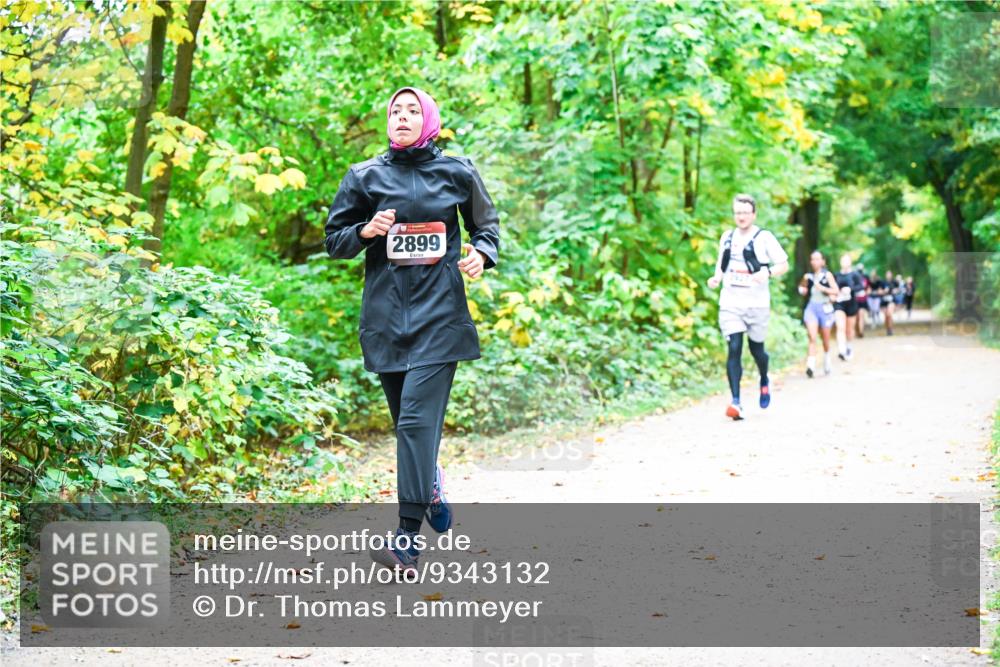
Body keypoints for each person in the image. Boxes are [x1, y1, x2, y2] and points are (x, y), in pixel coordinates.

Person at [324, 86, 500, 573]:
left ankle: (406, 537)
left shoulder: (457, 171)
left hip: (441, 318)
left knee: (415, 425)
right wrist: (365, 232)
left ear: (429, 121)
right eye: (395, 111)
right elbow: (334, 242)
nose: (402, 117)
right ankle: (432, 484)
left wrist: (481, 254)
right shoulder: (364, 176)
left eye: (412, 111)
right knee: (410, 427)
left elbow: (486, 226)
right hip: (385, 321)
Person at [707, 193, 789, 421]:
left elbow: (783, 263)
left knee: (757, 351)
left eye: (745, 212)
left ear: (753, 214)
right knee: (734, 347)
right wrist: (715, 278)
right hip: (731, 302)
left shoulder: (764, 238)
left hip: (757, 303)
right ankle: (736, 402)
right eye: (737, 212)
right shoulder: (727, 237)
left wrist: (768, 273)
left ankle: (764, 377)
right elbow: (721, 265)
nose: (741, 216)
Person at [797, 250, 839, 377]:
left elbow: (836, 290)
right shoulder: (808, 276)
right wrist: (802, 290)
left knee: (825, 339)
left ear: (823, 261)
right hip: (811, 308)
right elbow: (802, 288)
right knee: (812, 336)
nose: (814, 261)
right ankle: (811, 365)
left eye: (817, 259)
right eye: (812, 259)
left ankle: (826, 359)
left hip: (825, 308)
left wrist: (823, 288)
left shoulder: (827, 275)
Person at [833, 253, 862, 361]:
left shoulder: (855, 275)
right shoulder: (836, 275)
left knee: (849, 329)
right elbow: (832, 286)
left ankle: (849, 347)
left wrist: (851, 289)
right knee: (840, 327)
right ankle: (841, 350)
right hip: (839, 303)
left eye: (846, 260)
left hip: (851, 303)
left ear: (850, 262)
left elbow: (861, 286)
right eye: (843, 260)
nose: (844, 262)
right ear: (840, 262)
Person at [854, 262, 869, 338]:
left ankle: (861, 331)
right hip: (855, 299)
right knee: (857, 317)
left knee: (861, 315)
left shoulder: (866, 277)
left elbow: (868, 287)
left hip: (862, 299)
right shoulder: (854, 276)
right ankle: (858, 331)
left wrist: (867, 292)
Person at [883, 269, 897, 335]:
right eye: (887, 274)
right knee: (886, 317)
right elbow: (879, 291)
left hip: (892, 300)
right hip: (884, 301)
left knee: (889, 314)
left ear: (891, 275)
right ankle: (887, 329)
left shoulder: (894, 282)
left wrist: (895, 291)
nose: (888, 275)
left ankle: (891, 329)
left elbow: (898, 289)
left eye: (889, 274)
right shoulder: (883, 282)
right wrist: (884, 291)